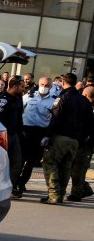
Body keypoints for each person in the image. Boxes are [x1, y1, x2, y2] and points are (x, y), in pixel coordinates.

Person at [40, 73, 92, 204]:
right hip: (75, 140)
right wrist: (80, 139)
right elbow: (89, 123)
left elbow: (55, 118)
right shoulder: (84, 100)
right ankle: (60, 194)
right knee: (65, 167)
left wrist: (47, 136)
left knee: (50, 163)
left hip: (60, 137)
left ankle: (53, 194)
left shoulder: (62, 97)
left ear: (63, 82)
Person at [14, 76, 56, 196]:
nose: (44, 87)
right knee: (21, 159)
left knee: (32, 161)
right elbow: (19, 110)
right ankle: (15, 182)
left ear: (51, 87)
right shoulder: (28, 96)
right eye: (42, 84)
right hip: (26, 131)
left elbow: (53, 119)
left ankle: (22, 182)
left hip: (40, 133)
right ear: (38, 84)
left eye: (47, 85)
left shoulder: (53, 101)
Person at [0, 76, 25, 197]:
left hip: (14, 135)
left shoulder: (18, 99)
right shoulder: (1, 99)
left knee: (17, 162)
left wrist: (20, 133)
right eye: (22, 87)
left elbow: (19, 118)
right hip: (2, 135)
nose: (23, 89)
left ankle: (10, 187)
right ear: (15, 86)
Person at [67, 85, 94, 201]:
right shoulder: (84, 107)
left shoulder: (88, 108)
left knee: (79, 169)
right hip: (78, 141)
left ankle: (76, 193)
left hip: (87, 144)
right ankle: (85, 188)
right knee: (74, 168)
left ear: (86, 95)